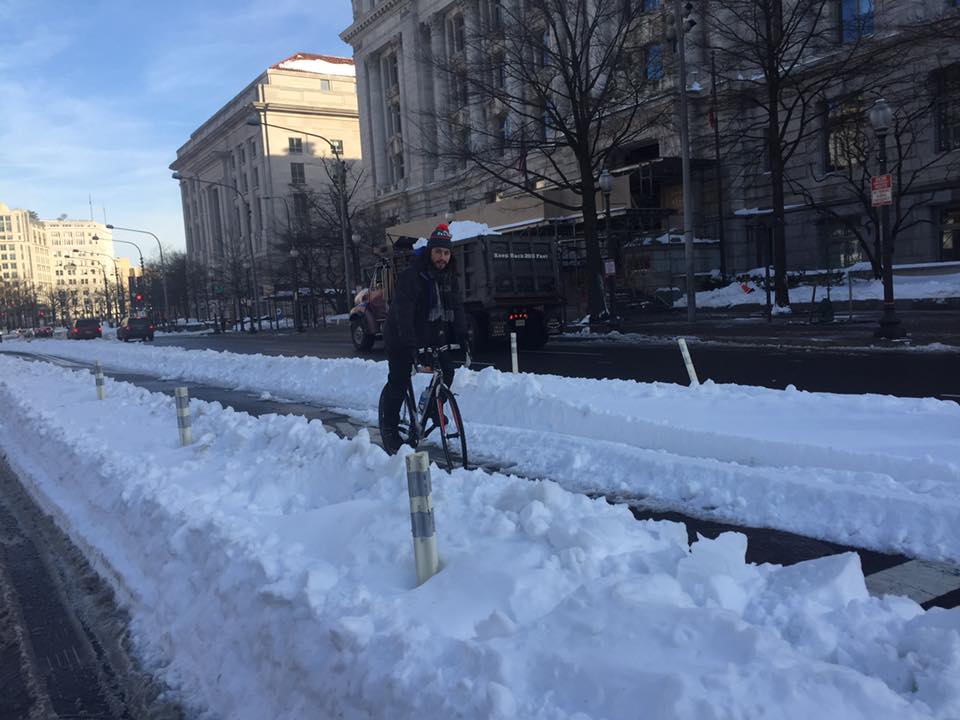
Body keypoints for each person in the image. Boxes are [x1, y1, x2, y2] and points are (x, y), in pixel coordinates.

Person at [380, 223, 469, 454]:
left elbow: (457, 309)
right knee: (399, 378)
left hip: (431, 334)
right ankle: (389, 428)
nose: (442, 257)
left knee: (447, 371)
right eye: (438, 252)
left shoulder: (450, 277)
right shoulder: (413, 277)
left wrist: (464, 337)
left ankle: (431, 408)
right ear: (430, 252)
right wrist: (411, 346)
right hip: (401, 334)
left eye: (447, 252)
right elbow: (404, 313)